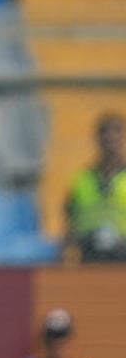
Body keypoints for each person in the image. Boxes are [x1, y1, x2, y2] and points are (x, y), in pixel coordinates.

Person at [66, 112, 126, 263]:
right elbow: (69, 217)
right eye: (105, 132)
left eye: (116, 132)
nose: (110, 138)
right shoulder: (82, 179)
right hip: (90, 255)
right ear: (98, 138)